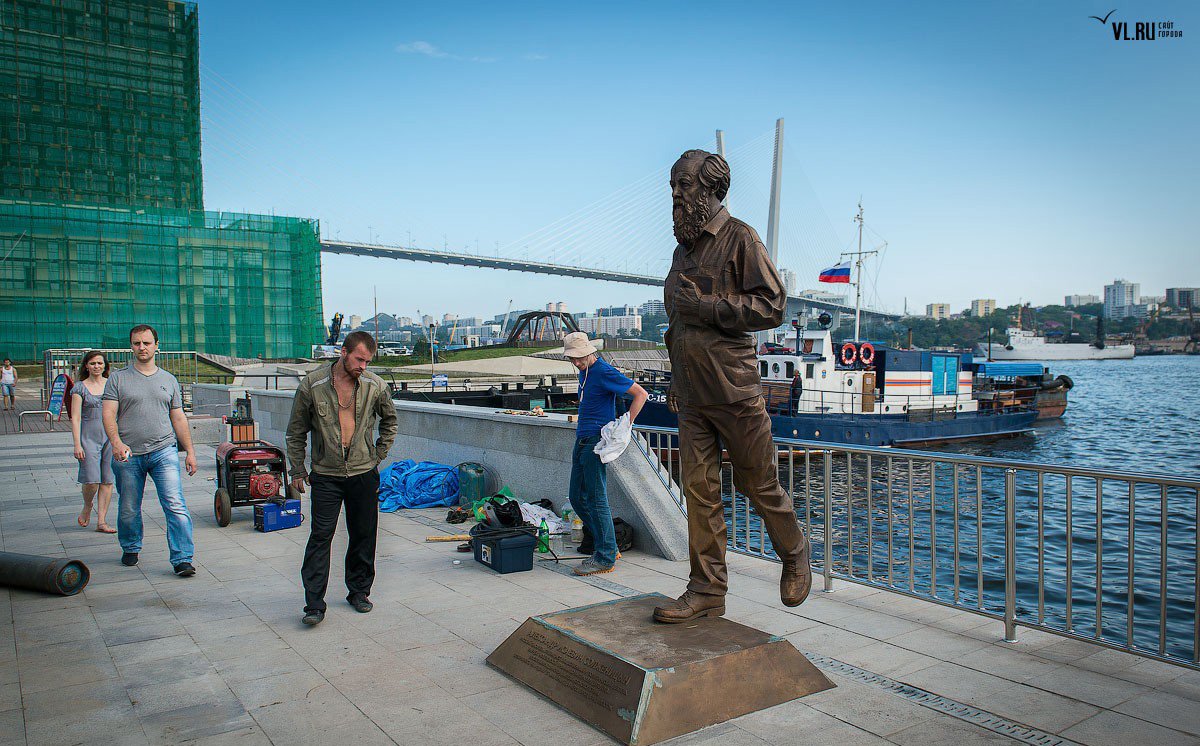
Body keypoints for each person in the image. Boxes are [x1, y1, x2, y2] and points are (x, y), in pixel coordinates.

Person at [654, 149, 813, 624]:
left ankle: (796, 550)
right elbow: (677, 324)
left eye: (684, 186)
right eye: (674, 187)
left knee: (757, 484)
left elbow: (772, 306)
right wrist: (677, 378)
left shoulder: (740, 238)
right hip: (693, 395)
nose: (677, 196)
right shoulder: (682, 250)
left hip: (735, 389)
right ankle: (706, 589)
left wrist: (708, 306)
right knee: (699, 492)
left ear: (711, 190)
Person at [286, 330, 398, 627]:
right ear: (343, 352)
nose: (363, 365)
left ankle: (359, 591)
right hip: (326, 474)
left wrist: (379, 454)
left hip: (363, 471)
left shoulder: (376, 386)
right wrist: (297, 469)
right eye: (359, 359)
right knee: (321, 537)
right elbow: (295, 432)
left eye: (368, 360)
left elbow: (391, 421)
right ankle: (314, 603)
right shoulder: (313, 385)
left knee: (364, 534)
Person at [102, 325, 198, 576]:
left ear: (157, 345)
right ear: (131, 346)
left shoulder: (169, 380)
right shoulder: (118, 379)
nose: (141, 347)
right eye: (136, 343)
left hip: (163, 450)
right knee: (129, 507)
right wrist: (116, 442)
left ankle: (182, 558)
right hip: (128, 454)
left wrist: (189, 451)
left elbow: (178, 418)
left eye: (146, 343)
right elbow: (109, 414)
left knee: (175, 504)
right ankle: (131, 545)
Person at [563, 332, 648, 576]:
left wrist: (626, 423)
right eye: (573, 359)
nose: (577, 363)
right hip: (582, 439)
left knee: (596, 497)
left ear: (590, 352)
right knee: (577, 497)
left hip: (595, 441)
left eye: (579, 358)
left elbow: (640, 394)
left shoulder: (602, 371)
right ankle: (608, 544)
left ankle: (605, 556)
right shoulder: (585, 372)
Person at [71, 351, 116, 532]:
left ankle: (102, 521)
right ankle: (88, 504)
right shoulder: (79, 388)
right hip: (88, 437)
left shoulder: (112, 385)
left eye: (99, 363)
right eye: (92, 363)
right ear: (86, 366)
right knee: (91, 481)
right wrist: (77, 444)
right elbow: (75, 418)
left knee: (107, 480)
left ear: (105, 366)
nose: (96, 366)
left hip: (110, 437)